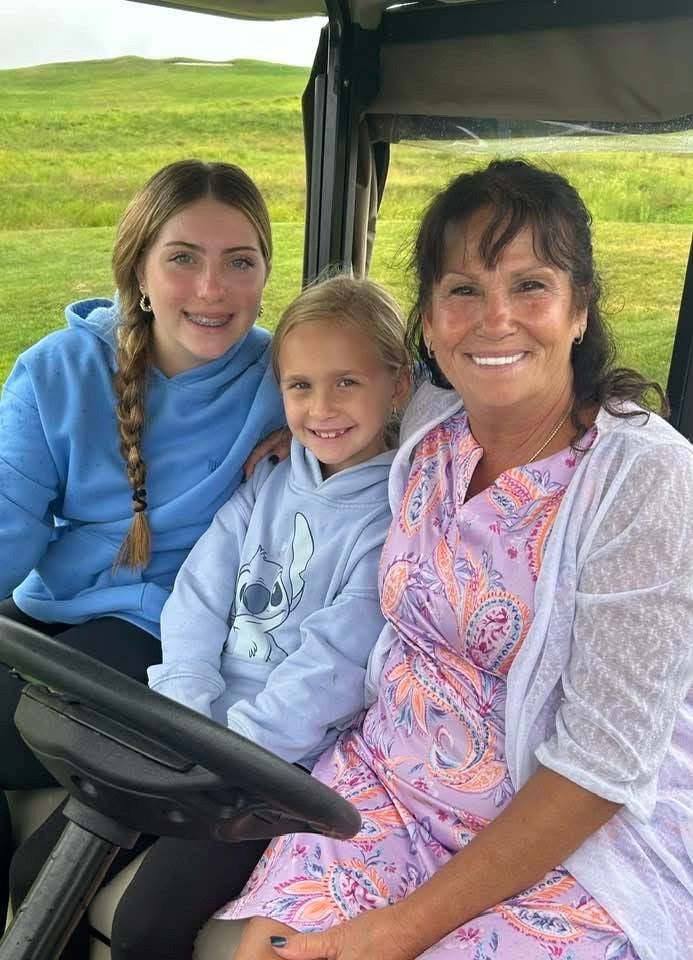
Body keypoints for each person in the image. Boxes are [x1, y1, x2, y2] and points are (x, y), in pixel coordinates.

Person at [220, 159, 693, 960]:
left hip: (568, 839)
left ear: (579, 309)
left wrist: (399, 930)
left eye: (530, 286)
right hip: (383, 792)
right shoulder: (433, 429)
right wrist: (306, 449)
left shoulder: (645, 479)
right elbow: (344, 389)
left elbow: (602, 768)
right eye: (463, 290)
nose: (494, 319)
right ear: (430, 322)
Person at [0, 158, 285, 950]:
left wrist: (330, 431)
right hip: (47, 617)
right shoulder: (59, 371)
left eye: (240, 262)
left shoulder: (291, 376)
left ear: (265, 274)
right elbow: (7, 530)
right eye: (184, 258)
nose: (212, 289)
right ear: (138, 268)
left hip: (167, 639)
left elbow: (384, 400)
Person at [102, 275, 411, 960]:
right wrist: (184, 711)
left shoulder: (392, 518)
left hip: (274, 769)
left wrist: (224, 753)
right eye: (300, 386)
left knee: (145, 926)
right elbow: (198, 597)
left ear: (398, 385)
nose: (321, 407)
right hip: (192, 731)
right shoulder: (268, 479)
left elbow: (332, 667)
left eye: (347, 383)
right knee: (43, 868)